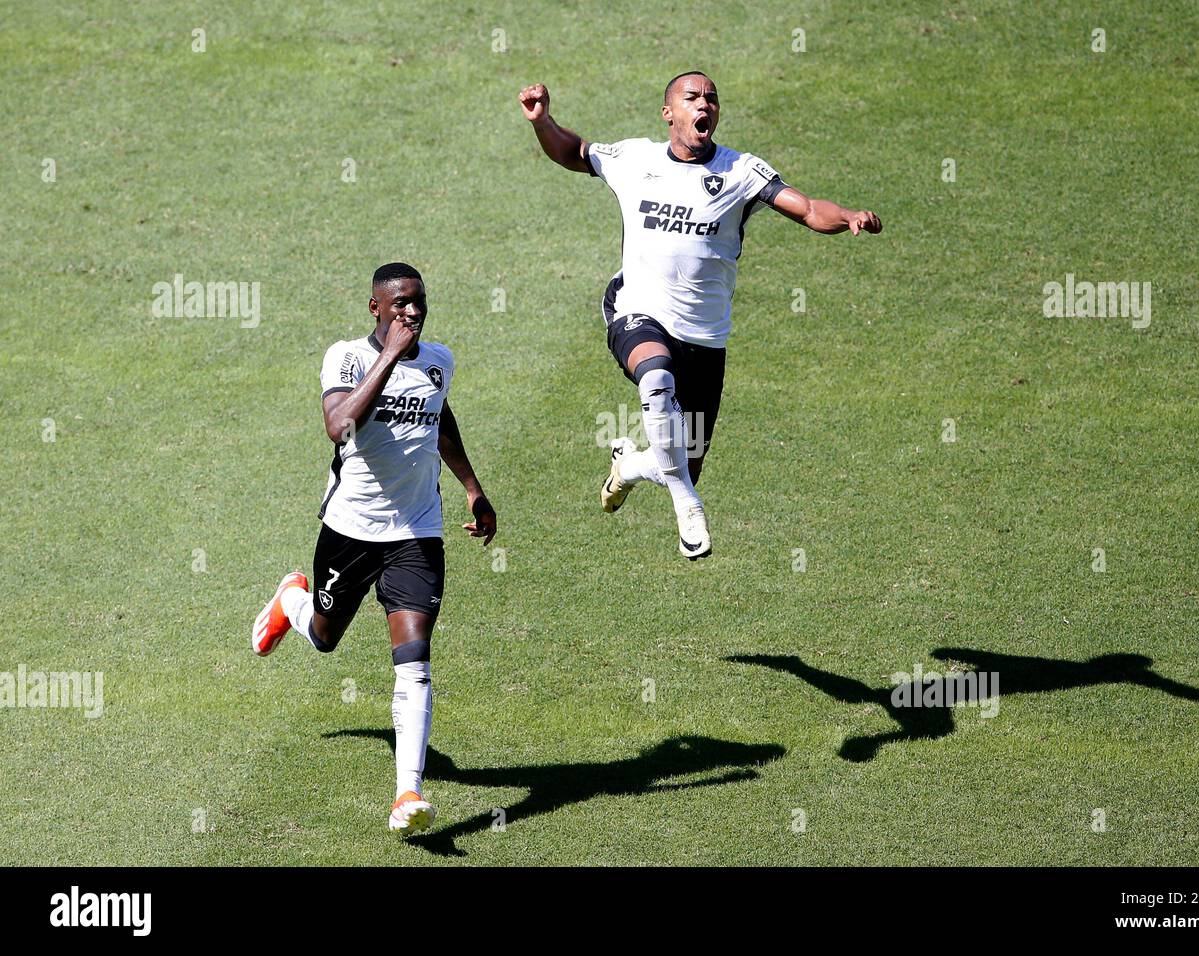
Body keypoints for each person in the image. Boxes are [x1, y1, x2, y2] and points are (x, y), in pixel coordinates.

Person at [520, 71, 881, 559]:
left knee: (682, 457)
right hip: (637, 310)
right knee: (655, 378)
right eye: (691, 97)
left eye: (711, 98)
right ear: (669, 113)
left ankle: (630, 467)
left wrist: (849, 218)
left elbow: (809, 207)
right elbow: (574, 151)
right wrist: (543, 121)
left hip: (706, 339)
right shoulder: (636, 160)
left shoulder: (742, 172)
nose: (703, 104)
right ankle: (687, 503)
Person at [250, 262, 497, 835]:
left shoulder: (439, 362)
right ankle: (291, 604)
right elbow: (339, 424)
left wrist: (472, 488)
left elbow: (440, 421)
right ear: (377, 309)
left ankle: (407, 791)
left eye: (420, 301)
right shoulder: (348, 358)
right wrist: (390, 356)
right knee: (325, 637)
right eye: (402, 303)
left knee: (414, 655)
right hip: (350, 529)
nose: (413, 312)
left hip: (416, 530)